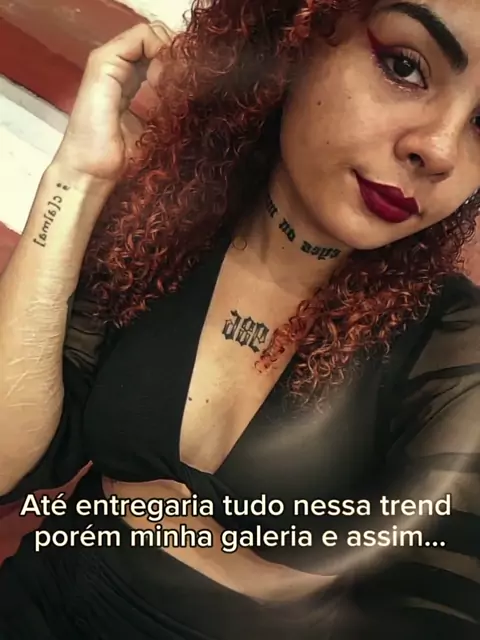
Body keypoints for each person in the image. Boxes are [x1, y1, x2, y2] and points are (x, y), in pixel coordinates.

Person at [0, 0, 479, 637]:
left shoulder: (456, 350)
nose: (440, 150)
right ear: (298, 33)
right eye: (405, 67)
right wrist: (78, 178)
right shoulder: (164, 227)